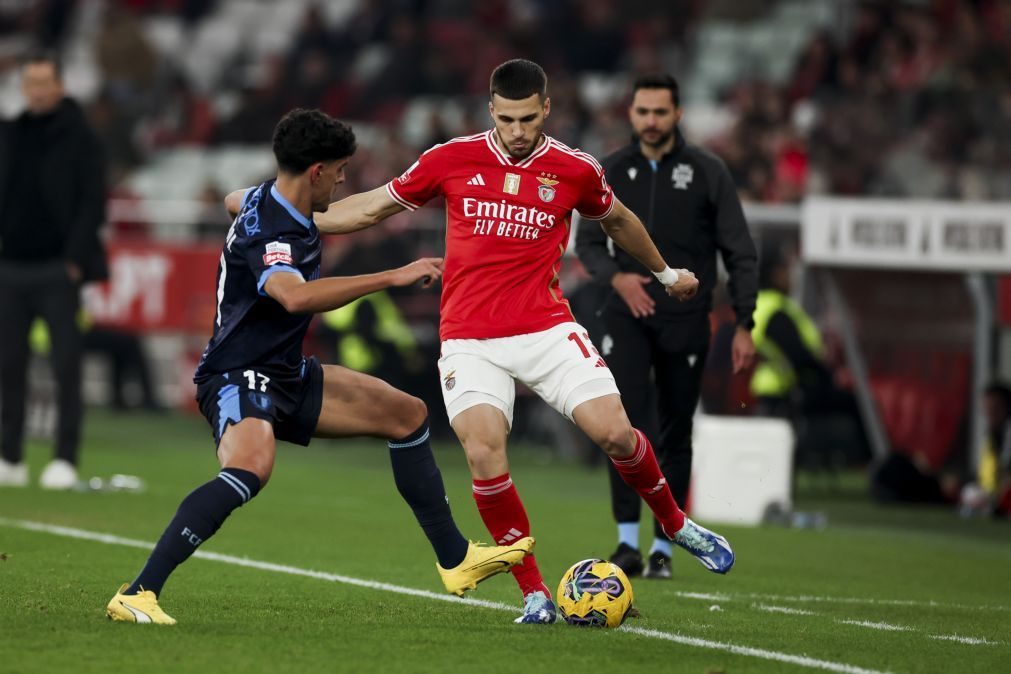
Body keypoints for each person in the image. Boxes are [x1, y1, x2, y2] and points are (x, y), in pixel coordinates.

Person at [313, 60, 736, 625]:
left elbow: (618, 221)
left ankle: (676, 525)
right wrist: (286, 211)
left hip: (545, 329)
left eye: (527, 119)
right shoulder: (450, 159)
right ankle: (534, 594)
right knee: (484, 453)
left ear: (546, 110)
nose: (516, 130)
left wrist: (664, 274)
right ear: (491, 110)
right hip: (469, 339)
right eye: (507, 118)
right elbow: (369, 205)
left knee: (614, 432)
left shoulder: (575, 169)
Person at [106, 109, 533, 626]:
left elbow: (231, 199)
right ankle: (139, 592)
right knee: (249, 468)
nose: (344, 178)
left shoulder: (270, 196)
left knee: (407, 414)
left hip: (286, 372)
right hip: (238, 375)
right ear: (315, 171)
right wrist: (392, 276)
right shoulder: (275, 230)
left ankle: (455, 559)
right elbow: (294, 296)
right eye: (339, 169)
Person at [575, 73, 758, 579]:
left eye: (660, 112)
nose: (651, 121)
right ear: (630, 115)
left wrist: (745, 321)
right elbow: (588, 244)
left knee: (676, 431)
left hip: (686, 320)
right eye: (642, 112)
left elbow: (738, 250)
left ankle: (666, 546)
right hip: (625, 317)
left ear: (678, 115)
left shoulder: (707, 172)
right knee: (622, 428)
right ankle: (627, 543)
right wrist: (619, 280)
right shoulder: (608, 170)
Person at [0, 49, 107, 490]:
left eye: (45, 83)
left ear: (60, 86)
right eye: (32, 84)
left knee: (66, 366)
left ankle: (65, 457)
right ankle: (10, 456)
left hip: (58, 270)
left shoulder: (82, 136)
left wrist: (75, 260)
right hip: (11, 267)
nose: (38, 91)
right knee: (9, 365)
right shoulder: (10, 134)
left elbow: (92, 201)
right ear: (24, 88)